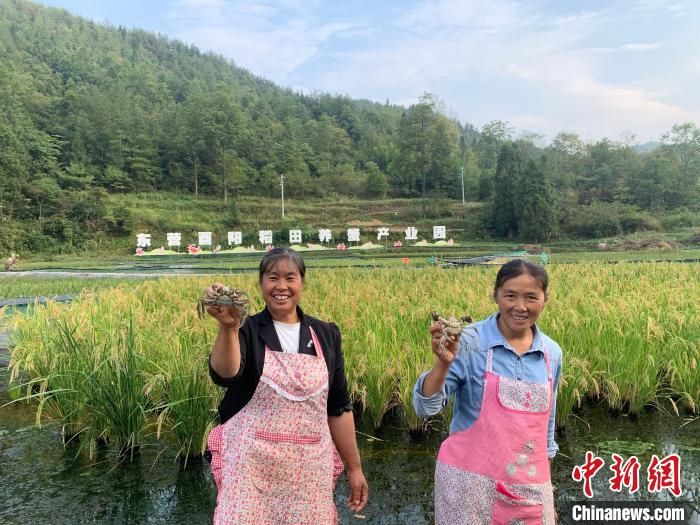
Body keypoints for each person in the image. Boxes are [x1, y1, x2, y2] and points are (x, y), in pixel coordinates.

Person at [205, 247, 368, 524]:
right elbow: (225, 374)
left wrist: (355, 467)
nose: (281, 286)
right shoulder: (247, 328)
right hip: (252, 469)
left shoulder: (326, 334)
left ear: (302, 282)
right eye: (272, 278)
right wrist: (228, 328)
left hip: (308, 472)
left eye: (290, 278)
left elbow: (338, 407)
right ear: (261, 283)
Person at [413, 259, 562, 525]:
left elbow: (545, 433)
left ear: (545, 299)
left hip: (527, 486)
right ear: (496, 295)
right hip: (468, 485)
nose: (520, 306)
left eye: (531, 297)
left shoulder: (552, 353)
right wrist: (442, 363)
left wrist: (546, 494)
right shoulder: (470, 340)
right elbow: (426, 408)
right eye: (510, 295)